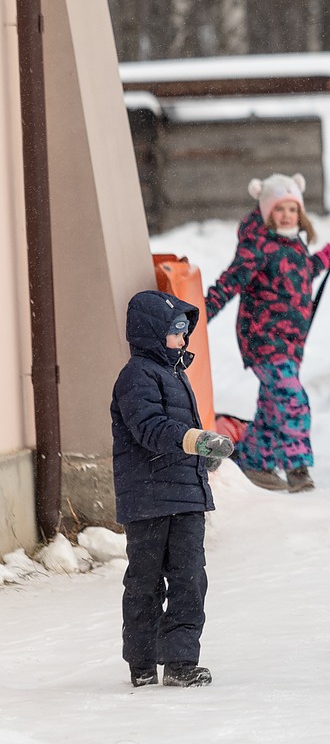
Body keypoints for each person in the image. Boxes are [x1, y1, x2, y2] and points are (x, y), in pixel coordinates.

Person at [111, 290, 235, 687]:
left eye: (185, 331)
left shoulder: (174, 373)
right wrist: (196, 440)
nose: (183, 340)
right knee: (145, 582)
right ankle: (142, 663)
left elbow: (176, 432)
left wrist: (202, 456)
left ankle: (181, 661)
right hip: (147, 499)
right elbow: (149, 428)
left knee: (189, 578)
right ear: (151, 333)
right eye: (176, 332)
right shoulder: (137, 376)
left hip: (183, 496)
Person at [205, 173, 330, 492]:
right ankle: (297, 467)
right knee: (292, 398)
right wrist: (201, 312)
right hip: (263, 341)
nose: (286, 215)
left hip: (290, 343)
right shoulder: (257, 247)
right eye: (279, 209)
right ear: (267, 211)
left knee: (272, 404)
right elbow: (230, 282)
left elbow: (302, 273)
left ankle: (256, 461)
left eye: (292, 209)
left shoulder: (293, 244)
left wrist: (325, 257)